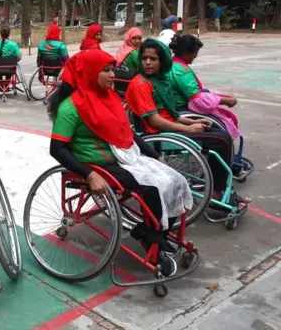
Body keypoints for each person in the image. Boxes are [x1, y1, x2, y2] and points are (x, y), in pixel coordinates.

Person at [50, 49, 192, 277]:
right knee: (152, 188)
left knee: (174, 179)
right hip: (98, 166)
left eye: (112, 69)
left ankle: (151, 233)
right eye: (105, 71)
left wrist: (154, 156)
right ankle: (154, 239)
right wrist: (88, 174)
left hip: (125, 156)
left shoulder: (111, 98)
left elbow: (129, 133)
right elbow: (56, 149)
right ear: (89, 73)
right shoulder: (70, 108)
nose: (112, 75)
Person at [124, 38, 249, 210]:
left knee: (219, 133)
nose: (147, 63)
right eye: (144, 58)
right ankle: (216, 193)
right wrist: (188, 128)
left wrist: (191, 121)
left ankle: (221, 187)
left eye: (153, 59)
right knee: (221, 141)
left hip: (168, 126)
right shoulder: (141, 84)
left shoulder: (158, 80)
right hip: (157, 133)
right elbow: (155, 120)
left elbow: (169, 113)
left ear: (162, 61)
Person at [168, 34, 241, 140]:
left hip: (177, 102)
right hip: (181, 107)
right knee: (224, 131)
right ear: (186, 52)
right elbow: (197, 99)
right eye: (194, 53)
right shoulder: (181, 71)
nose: (195, 56)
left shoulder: (173, 63)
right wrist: (224, 100)